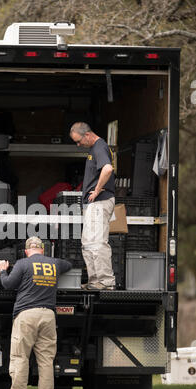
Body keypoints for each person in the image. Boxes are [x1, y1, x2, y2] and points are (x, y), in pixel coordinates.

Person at [0, 236, 72, 389]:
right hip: (48, 316)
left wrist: (2, 270)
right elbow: (68, 265)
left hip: (27, 315)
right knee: (46, 361)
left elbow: (8, 284)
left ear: (26, 250)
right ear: (43, 250)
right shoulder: (55, 264)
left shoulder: (23, 264)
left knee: (20, 358)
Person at [70, 122, 116, 290]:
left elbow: (108, 169)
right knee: (88, 243)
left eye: (79, 141)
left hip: (99, 202)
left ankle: (106, 282)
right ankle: (95, 281)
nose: (78, 145)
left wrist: (96, 190)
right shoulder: (95, 149)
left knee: (97, 242)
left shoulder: (99, 147)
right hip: (93, 205)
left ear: (87, 135)